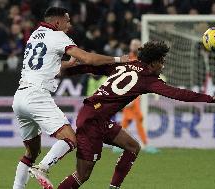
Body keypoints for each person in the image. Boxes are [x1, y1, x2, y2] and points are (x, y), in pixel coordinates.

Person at [57, 41, 215, 189]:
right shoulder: (148, 79)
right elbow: (178, 94)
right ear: (152, 64)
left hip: (96, 116)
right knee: (83, 174)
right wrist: (209, 98)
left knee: (132, 147)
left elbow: (91, 67)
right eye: (161, 62)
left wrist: (64, 71)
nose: (163, 66)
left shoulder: (125, 65)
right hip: (92, 121)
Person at [12, 7, 128, 189]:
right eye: (67, 21)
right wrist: (119, 60)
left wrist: (66, 63)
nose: (70, 25)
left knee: (31, 152)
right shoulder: (57, 36)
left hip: (19, 97)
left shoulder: (35, 35)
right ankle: (42, 168)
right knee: (69, 139)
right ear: (57, 23)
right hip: (36, 95)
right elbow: (88, 59)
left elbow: (46, 65)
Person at [118, 38, 159, 154]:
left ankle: (118, 144)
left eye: (137, 45)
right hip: (128, 92)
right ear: (130, 47)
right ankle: (145, 144)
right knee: (137, 119)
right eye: (133, 45)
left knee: (127, 120)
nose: (135, 47)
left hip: (137, 93)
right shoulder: (127, 59)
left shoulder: (143, 60)